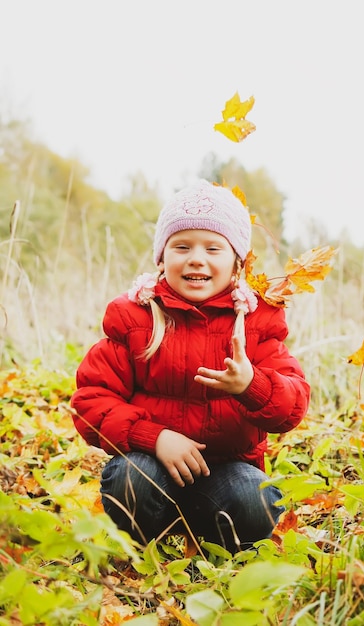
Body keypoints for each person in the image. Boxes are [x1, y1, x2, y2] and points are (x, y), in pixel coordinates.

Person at [71, 179, 310, 554]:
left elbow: (292, 407)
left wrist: (252, 385)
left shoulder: (255, 321)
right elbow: (90, 400)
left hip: (227, 472)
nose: (196, 258)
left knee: (257, 500)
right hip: (154, 465)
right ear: (162, 258)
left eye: (213, 248)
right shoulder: (136, 317)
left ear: (237, 262)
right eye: (182, 246)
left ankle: (215, 544)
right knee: (130, 480)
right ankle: (147, 540)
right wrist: (155, 437)